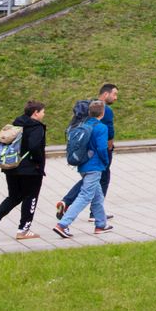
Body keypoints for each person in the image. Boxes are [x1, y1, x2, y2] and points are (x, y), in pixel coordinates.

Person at [52, 98, 113, 239]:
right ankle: (63, 224)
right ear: (102, 113)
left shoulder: (83, 125)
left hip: (83, 165)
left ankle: (101, 224)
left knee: (97, 196)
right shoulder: (101, 128)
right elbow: (102, 148)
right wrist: (105, 162)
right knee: (85, 196)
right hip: (94, 166)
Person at [57, 82, 119, 217]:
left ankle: (66, 202)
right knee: (101, 178)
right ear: (105, 94)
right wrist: (109, 149)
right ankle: (94, 214)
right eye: (114, 94)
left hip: (84, 150)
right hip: (99, 150)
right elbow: (110, 132)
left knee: (90, 178)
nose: (116, 98)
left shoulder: (89, 107)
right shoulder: (105, 110)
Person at [0, 101, 48, 240]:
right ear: (35, 113)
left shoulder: (16, 124)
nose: (44, 114)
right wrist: (39, 162)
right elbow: (34, 147)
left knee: (14, 196)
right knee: (30, 197)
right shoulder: (36, 127)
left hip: (12, 167)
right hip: (30, 169)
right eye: (43, 112)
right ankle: (23, 230)